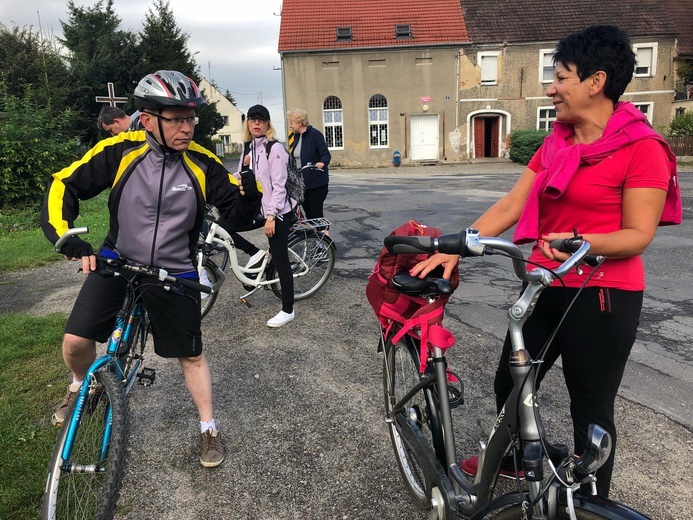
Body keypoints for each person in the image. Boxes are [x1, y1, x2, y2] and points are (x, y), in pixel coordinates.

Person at [412, 25, 681, 497]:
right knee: (510, 386)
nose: (551, 88)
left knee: (591, 410)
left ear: (595, 82)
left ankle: (592, 502)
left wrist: (582, 241)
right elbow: (511, 206)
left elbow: (638, 234)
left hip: (604, 295)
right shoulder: (556, 142)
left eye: (560, 77)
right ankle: (516, 460)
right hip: (543, 284)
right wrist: (458, 249)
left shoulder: (644, 149)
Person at [41, 70, 262, 468]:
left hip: (174, 272)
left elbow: (236, 212)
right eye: (176, 119)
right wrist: (67, 238)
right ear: (148, 120)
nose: (187, 127)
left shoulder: (203, 163)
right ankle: (78, 386)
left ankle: (208, 427)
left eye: (191, 118)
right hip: (117, 261)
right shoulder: (120, 151)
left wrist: (248, 200)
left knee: (191, 356)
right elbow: (64, 185)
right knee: (75, 343)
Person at [238, 104, 296, 327]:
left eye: (261, 120)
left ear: (268, 124)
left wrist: (271, 216)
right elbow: (244, 178)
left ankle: (288, 309)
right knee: (226, 225)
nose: (256, 123)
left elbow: (279, 186)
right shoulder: (249, 149)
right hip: (260, 208)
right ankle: (255, 253)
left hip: (278, 211)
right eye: (252, 119)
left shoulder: (275, 149)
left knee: (281, 260)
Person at [287, 108, 331, 222]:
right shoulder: (295, 137)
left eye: (291, 123)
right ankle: (316, 238)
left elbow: (325, 154)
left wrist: (322, 163)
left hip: (317, 183)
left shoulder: (315, 135)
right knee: (309, 215)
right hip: (302, 184)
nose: (290, 126)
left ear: (300, 122)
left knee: (316, 215)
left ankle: (324, 237)